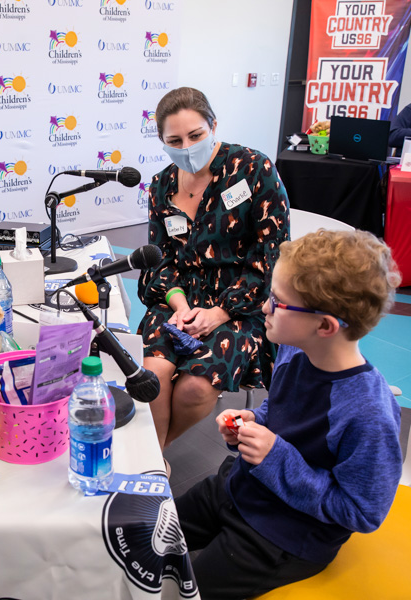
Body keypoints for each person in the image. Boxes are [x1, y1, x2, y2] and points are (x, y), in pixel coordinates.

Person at [175, 230, 402, 599]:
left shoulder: (369, 414)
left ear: (324, 326)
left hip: (283, 535)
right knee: (148, 540)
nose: (264, 307)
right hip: (238, 486)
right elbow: (278, 411)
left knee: (188, 592)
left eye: (279, 302)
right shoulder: (296, 349)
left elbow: (362, 512)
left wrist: (275, 456)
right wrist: (254, 425)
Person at [138, 87, 290, 450]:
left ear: (214, 126)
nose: (187, 147)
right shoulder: (161, 186)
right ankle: (156, 461)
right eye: (174, 140)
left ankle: (151, 457)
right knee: (151, 375)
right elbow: (158, 259)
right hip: (179, 302)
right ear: (161, 141)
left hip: (243, 304)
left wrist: (219, 312)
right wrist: (180, 305)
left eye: (196, 135)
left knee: (194, 387)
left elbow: (273, 259)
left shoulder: (254, 170)